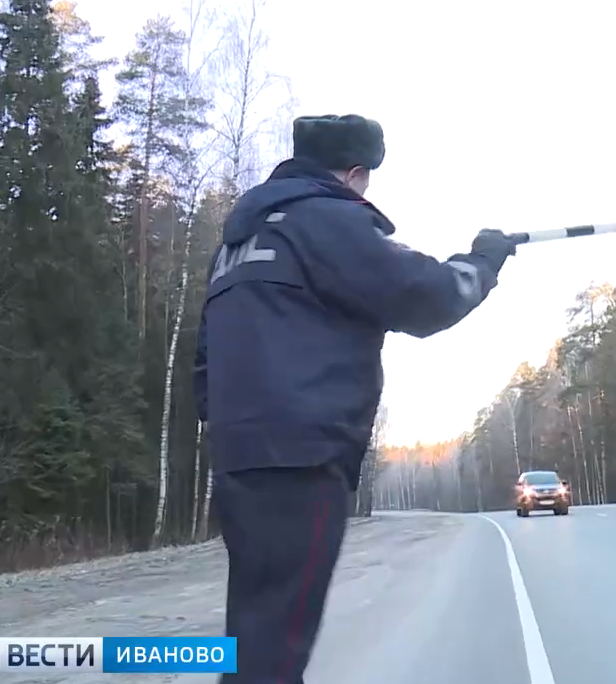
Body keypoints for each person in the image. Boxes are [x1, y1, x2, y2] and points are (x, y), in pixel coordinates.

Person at [192, 114, 517, 683]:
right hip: (305, 457)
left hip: (241, 457)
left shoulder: (240, 240)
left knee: (256, 624)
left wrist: (234, 423)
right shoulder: (328, 220)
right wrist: (484, 260)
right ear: (355, 173)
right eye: (368, 181)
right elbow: (428, 297)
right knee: (276, 642)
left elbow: (204, 359)